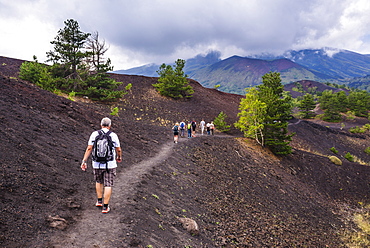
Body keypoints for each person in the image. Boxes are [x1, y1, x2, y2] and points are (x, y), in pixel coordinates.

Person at [81, 117, 122, 214]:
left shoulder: (94, 134)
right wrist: (119, 157)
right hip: (110, 164)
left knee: (98, 181)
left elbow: (89, 148)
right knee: (108, 184)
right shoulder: (113, 135)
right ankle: (105, 207)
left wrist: (84, 161)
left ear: (101, 125)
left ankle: (99, 201)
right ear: (110, 125)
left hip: (96, 163)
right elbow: (118, 149)